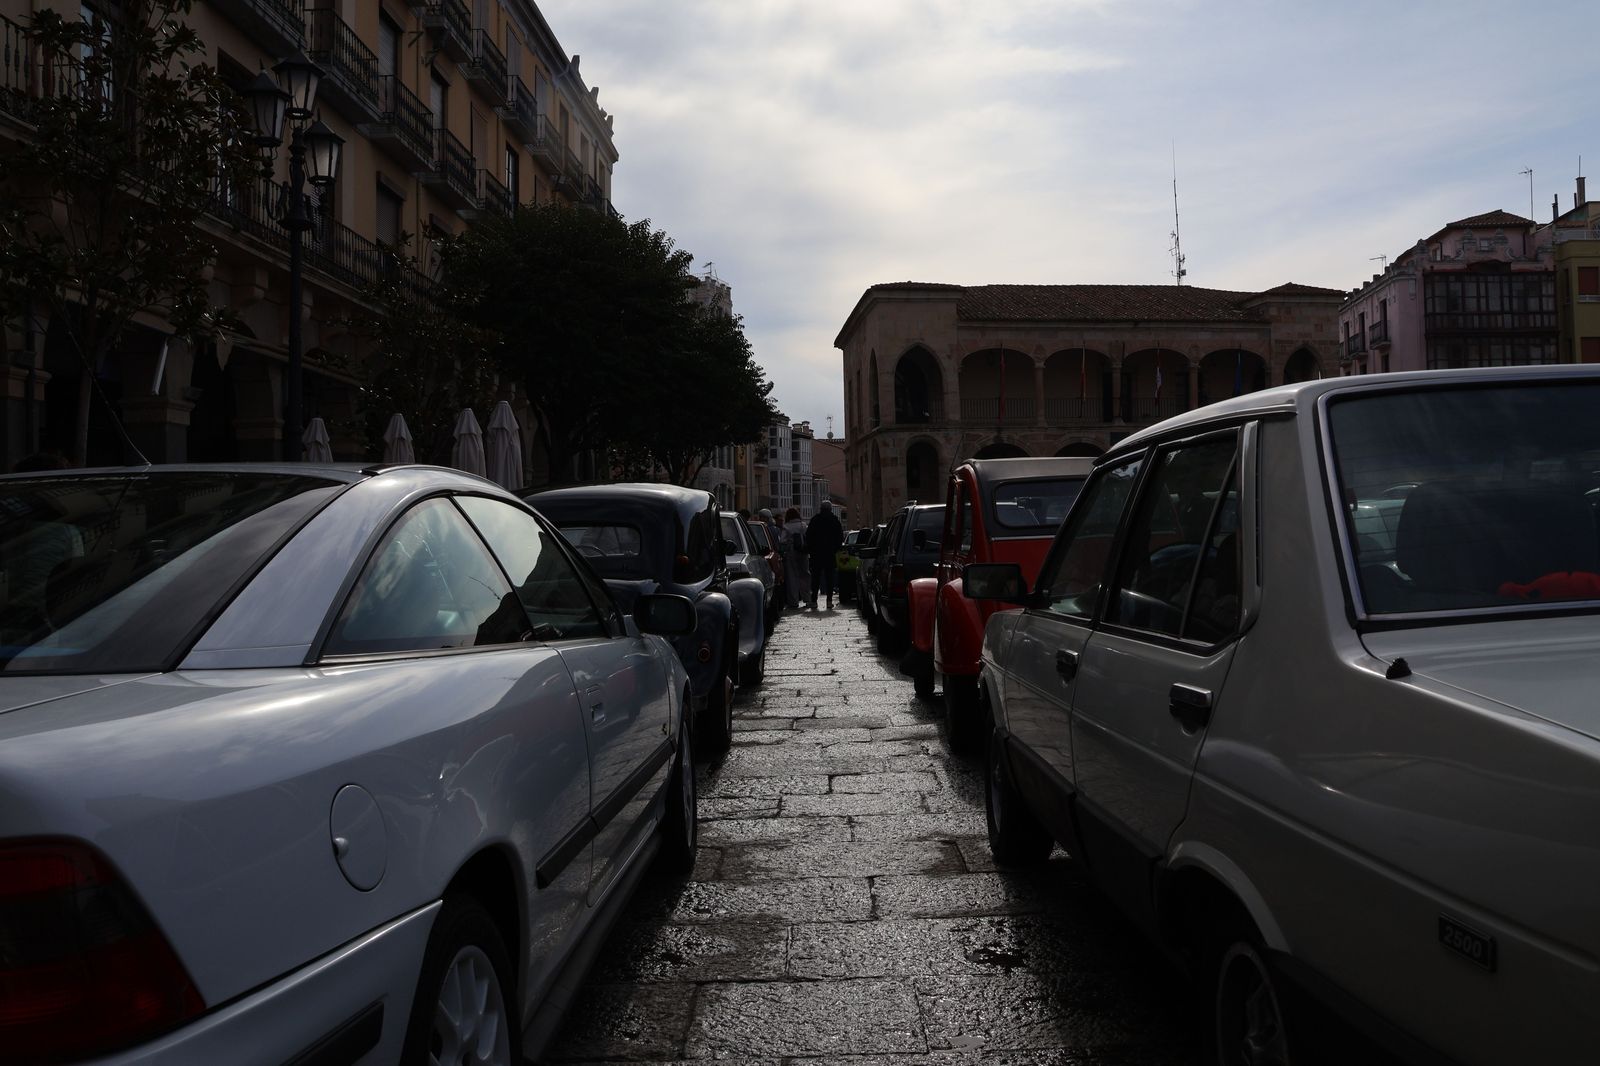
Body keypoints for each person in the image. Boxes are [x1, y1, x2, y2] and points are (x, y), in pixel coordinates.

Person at [804, 500, 844, 609]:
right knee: (829, 577)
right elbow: (840, 537)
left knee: (815, 578)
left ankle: (814, 600)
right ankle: (829, 601)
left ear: (821, 509)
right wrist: (836, 549)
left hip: (816, 554)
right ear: (830, 509)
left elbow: (808, 536)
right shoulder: (835, 520)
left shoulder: (815, 520)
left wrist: (811, 549)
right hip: (830, 554)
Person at [781, 507, 809, 608]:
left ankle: (793, 601)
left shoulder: (786, 526)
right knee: (805, 575)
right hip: (803, 551)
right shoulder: (803, 525)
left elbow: (782, 541)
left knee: (792, 576)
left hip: (791, 552)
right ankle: (807, 599)